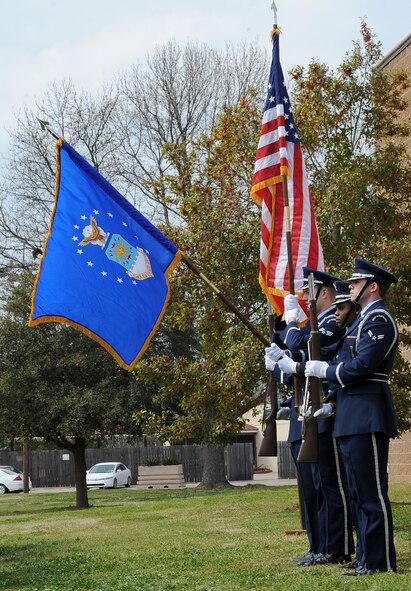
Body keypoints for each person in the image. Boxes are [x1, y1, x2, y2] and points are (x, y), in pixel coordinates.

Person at [306, 258, 399, 576]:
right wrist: (331, 399)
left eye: (357, 283)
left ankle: (380, 562)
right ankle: (365, 557)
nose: (350, 287)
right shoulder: (363, 321)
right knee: (359, 492)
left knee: (372, 492)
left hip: (367, 413)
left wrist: (325, 370)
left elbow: (363, 366)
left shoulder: (380, 319)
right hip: (350, 412)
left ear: (373, 286)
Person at [265, 268, 354, 566]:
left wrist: (290, 322)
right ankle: (318, 546)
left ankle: (337, 545)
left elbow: (300, 346)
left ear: (324, 292)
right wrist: (279, 363)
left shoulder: (331, 322)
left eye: (308, 291)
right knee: (312, 487)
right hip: (306, 406)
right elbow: (296, 355)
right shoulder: (316, 324)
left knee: (329, 483)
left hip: (324, 407)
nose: (303, 297)